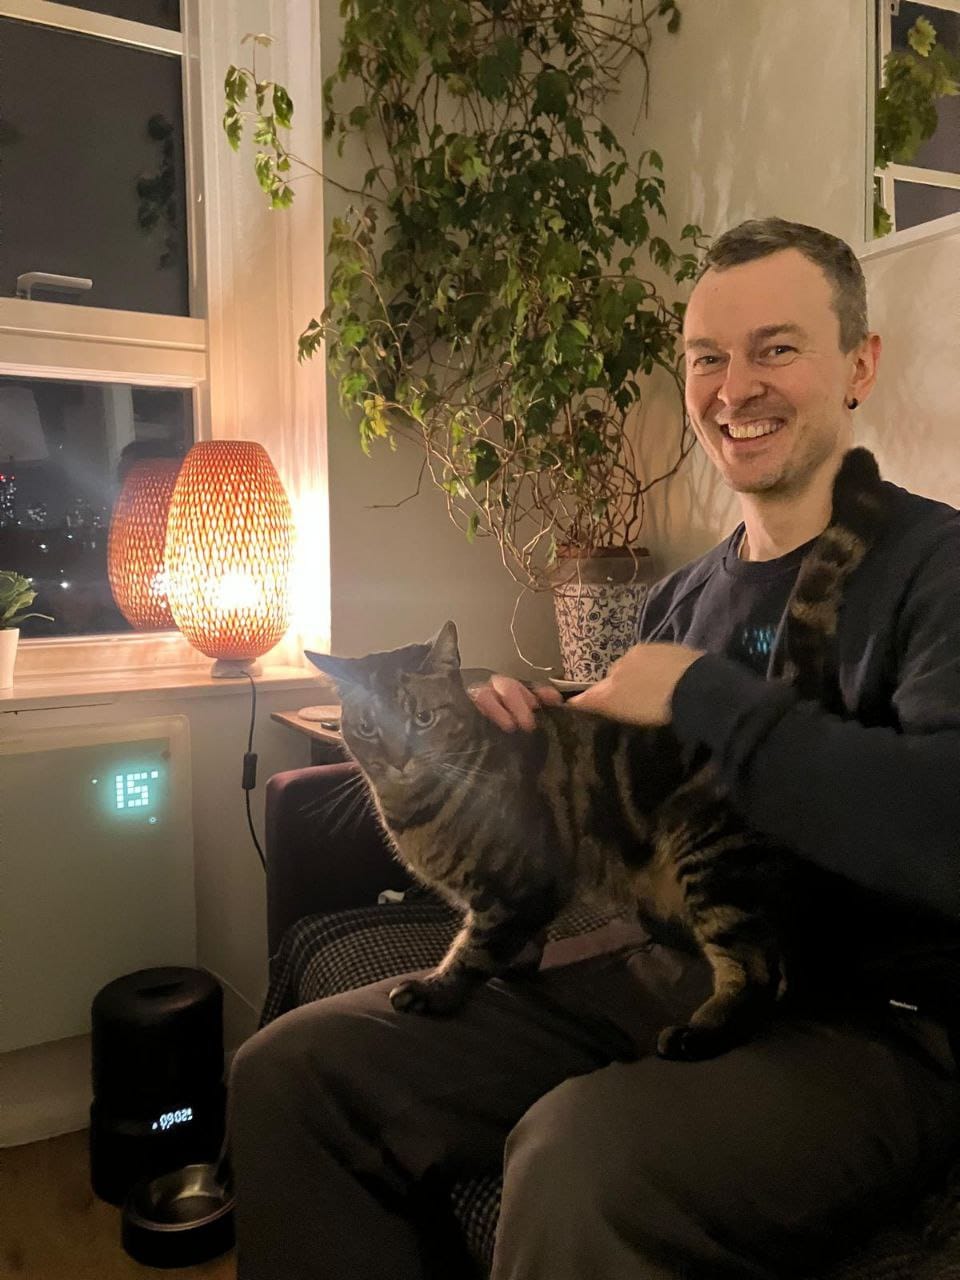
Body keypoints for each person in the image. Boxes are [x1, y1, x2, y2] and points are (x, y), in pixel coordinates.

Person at [229, 217, 960, 1279]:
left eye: (776, 347)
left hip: (873, 1022)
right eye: (707, 355)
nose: (732, 385)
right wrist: (533, 726)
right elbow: (623, 797)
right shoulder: (684, 596)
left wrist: (705, 694)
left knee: (576, 1161)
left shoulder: (936, 568)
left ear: (860, 363)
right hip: (662, 956)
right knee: (290, 1069)